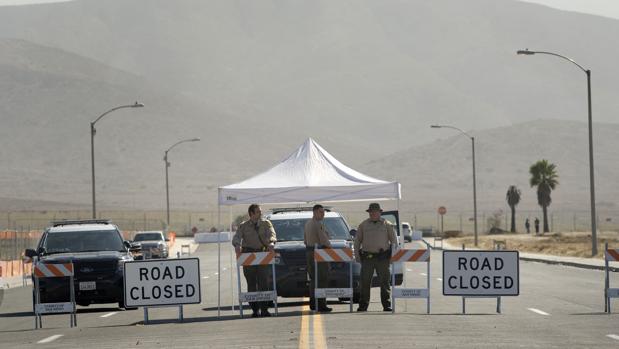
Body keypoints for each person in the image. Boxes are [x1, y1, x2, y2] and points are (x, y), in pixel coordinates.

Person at [231, 204, 277, 317]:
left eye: (260, 211)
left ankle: (264, 309)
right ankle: (255, 309)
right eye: (258, 212)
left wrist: (271, 242)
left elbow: (272, 233)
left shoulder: (266, 223)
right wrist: (237, 245)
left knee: (263, 283)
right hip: (248, 256)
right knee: (251, 283)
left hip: (263, 255)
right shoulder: (244, 226)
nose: (260, 213)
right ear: (251, 214)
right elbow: (237, 237)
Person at [354, 203, 397, 312]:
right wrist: (357, 255)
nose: (372, 213)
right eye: (371, 212)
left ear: (380, 212)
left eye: (375, 211)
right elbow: (357, 241)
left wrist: (393, 257)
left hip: (383, 258)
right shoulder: (363, 225)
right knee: (365, 282)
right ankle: (363, 305)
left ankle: (386, 305)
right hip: (368, 258)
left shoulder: (387, 224)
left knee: (385, 282)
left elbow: (394, 241)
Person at [304, 204, 333, 312]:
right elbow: (324, 240)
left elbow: (305, 240)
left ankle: (313, 303)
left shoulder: (308, 223)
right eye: (321, 212)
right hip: (319, 253)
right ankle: (321, 304)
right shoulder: (317, 224)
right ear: (315, 212)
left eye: (323, 212)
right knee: (322, 278)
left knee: (313, 279)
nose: (323, 214)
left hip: (310, 252)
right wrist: (331, 248)